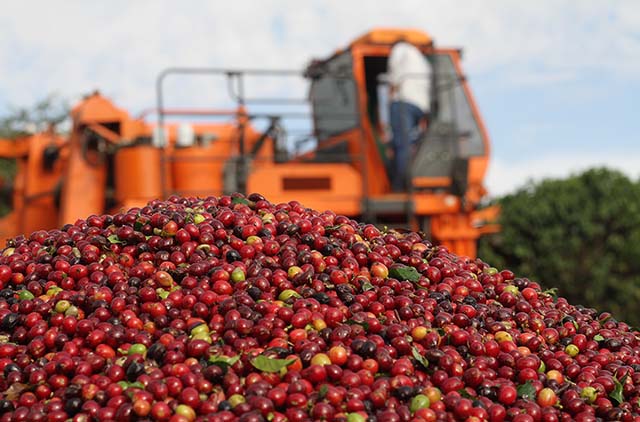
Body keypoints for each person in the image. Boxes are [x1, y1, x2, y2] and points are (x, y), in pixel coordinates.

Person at [387, 41, 432, 191]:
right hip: (420, 105)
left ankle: (400, 187)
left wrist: (391, 93)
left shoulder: (400, 49)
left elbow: (394, 75)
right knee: (409, 143)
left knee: (401, 144)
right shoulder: (422, 60)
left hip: (404, 101)